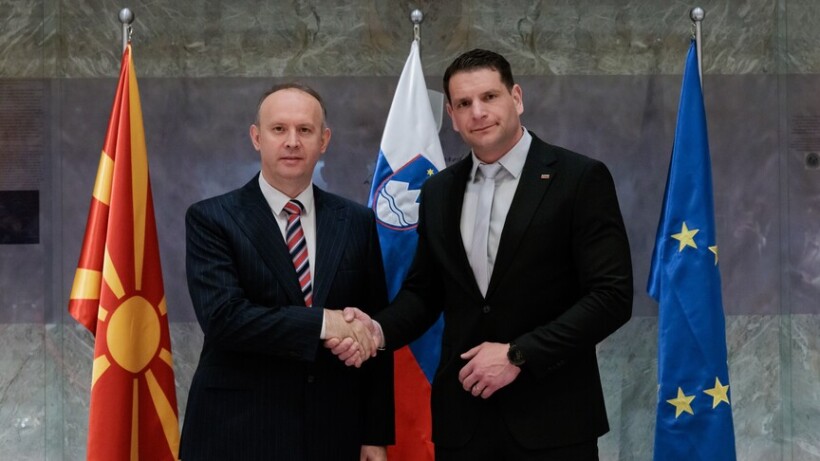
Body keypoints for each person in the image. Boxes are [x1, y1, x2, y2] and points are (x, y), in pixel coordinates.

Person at [329, 49, 633, 460]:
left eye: (489, 97)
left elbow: (611, 297)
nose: (478, 112)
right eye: (464, 103)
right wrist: (377, 331)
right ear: (452, 117)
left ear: (516, 98)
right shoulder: (438, 191)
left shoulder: (579, 178)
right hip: (463, 424)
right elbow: (425, 294)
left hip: (554, 423)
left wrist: (518, 355)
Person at [180, 83, 394, 461]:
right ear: (256, 138)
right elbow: (224, 319)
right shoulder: (212, 219)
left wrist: (374, 434)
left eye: (305, 130)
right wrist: (325, 323)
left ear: (324, 141)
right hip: (237, 433)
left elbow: (373, 326)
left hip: (333, 432)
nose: (292, 141)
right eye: (279, 129)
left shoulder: (356, 221)